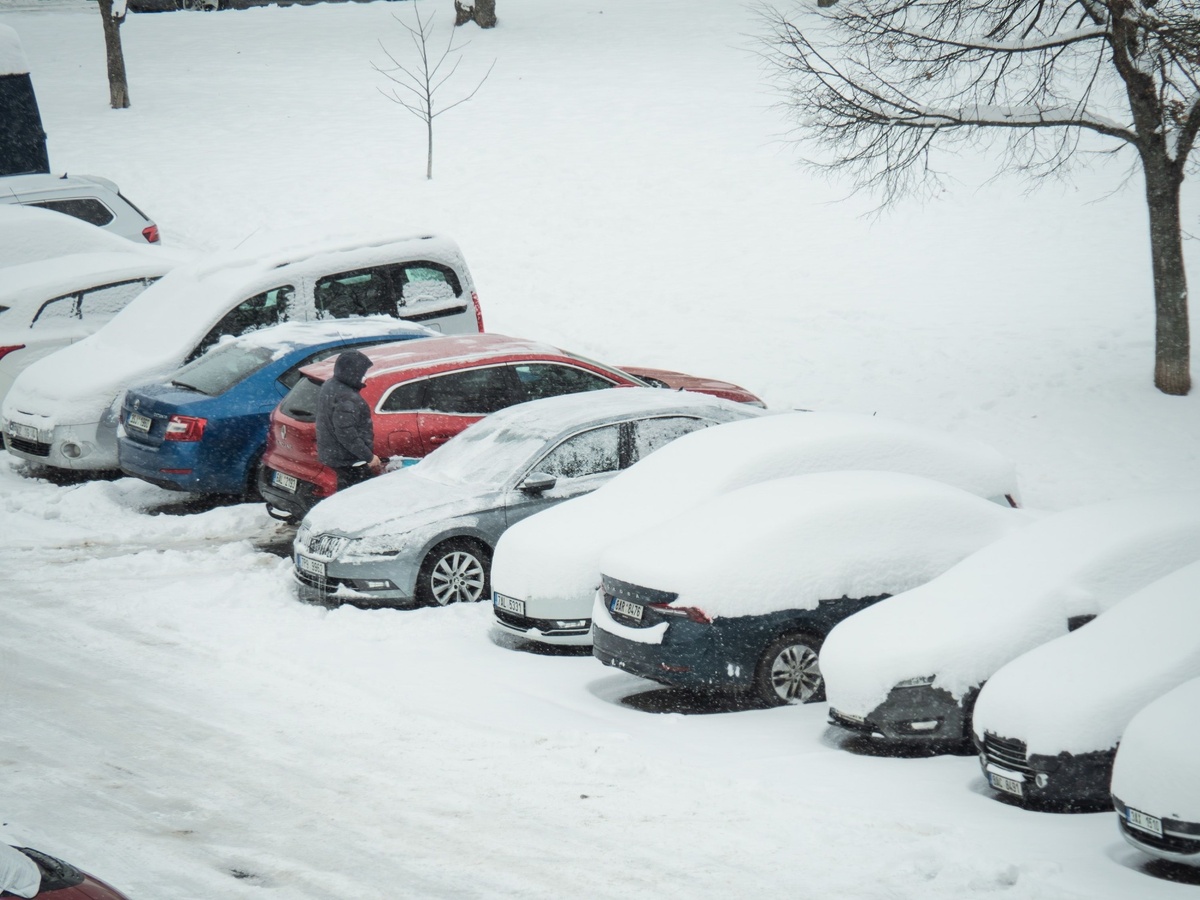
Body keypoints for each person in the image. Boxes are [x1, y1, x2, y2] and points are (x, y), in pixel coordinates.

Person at [315, 349, 382, 491]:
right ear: (353, 372)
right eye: (362, 372)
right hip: (349, 460)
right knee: (360, 495)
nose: (364, 376)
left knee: (346, 493)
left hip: (337, 456)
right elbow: (346, 433)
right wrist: (368, 456)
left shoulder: (329, 385)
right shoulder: (347, 397)